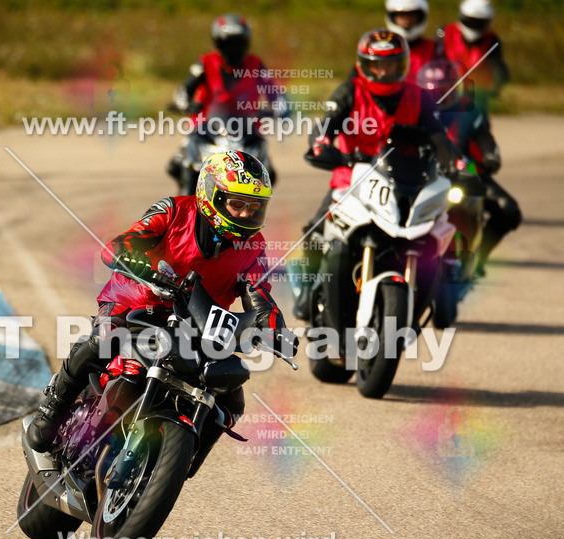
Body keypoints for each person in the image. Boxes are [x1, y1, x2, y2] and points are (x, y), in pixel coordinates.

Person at [27, 150, 294, 453]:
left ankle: (180, 457)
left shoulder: (255, 247)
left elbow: (258, 293)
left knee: (231, 400)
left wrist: (273, 327)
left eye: (255, 207)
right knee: (105, 339)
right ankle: (53, 408)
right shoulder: (173, 210)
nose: (246, 214)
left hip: (195, 321)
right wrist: (131, 257)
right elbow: (126, 241)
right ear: (211, 196)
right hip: (134, 301)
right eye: (237, 204)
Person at [292, 29, 461, 320]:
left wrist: (455, 166)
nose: (384, 71)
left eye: (392, 64)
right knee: (314, 232)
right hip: (352, 182)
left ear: (403, 65)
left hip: (406, 184)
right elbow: (323, 130)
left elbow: (440, 140)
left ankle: (440, 293)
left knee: (442, 226)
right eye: (377, 64)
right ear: (364, 65)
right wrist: (321, 147)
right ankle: (309, 291)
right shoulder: (349, 91)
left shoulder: (419, 97)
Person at [416, 58, 521, 276]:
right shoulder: (410, 110)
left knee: (508, 209)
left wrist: (491, 156)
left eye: (445, 91)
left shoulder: (470, 111)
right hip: (421, 174)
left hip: (467, 172)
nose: (440, 98)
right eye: (433, 93)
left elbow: (484, 138)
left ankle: (477, 258)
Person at [167, 13, 285, 183]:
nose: (233, 49)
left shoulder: (256, 65)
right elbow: (184, 91)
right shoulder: (205, 63)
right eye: (228, 44)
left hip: (246, 129)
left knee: (269, 174)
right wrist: (184, 104)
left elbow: (275, 95)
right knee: (180, 164)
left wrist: (279, 109)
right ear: (218, 43)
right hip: (207, 127)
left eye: (238, 44)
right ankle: (185, 201)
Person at [441, 0, 510, 112]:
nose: (474, 26)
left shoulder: (491, 40)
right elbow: (433, 62)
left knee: (479, 125)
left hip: (477, 98)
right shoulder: (445, 33)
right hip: (445, 94)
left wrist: (497, 83)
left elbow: (497, 66)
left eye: (479, 23)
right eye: (470, 21)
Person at [384, 0, 439, 82]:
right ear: (392, 17)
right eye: (401, 16)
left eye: (411, 16)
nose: (406, 21)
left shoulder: (436, 49)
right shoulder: (382, 51)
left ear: (420, 17)